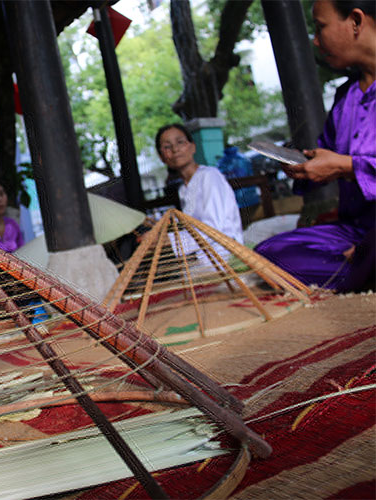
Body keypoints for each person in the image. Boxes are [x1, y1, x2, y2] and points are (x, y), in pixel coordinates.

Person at [255, 0, 375, 292]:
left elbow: (340, 164)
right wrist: (305, 166)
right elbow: (327, 154)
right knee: (269, 255)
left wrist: (345, 166)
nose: (316, 40)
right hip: (355, 230)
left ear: (356, 21)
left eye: (321, 27)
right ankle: (364, 265)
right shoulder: (346, 96)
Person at [155, 123, 244, 245]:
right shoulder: (183, 189)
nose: (175, 150)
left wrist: (169, 240)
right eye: (167, 147)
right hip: (205, 257)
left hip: (227, 253)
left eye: (180, 142)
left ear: (192, 147)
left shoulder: (210, 176)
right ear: (161, 157)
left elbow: (212, 230)